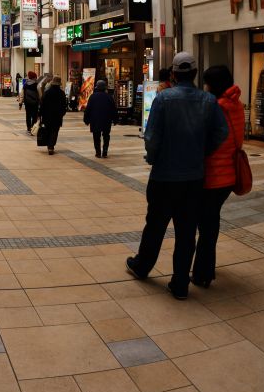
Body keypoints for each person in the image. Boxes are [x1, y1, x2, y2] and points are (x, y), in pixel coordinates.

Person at [125, 52, 228, 300]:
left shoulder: (163, 99)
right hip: (193, 178)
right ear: (194, 73)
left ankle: (142, 266)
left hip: (164, 176)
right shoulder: (209, 101)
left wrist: (153, 157)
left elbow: (151, 137)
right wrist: (202, 151)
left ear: (173, 73)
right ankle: (180, 282)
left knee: (155, 225)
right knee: (186, 231)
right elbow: (221, 133)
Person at [191, 65, 244, 288]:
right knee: (211, 221)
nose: (204, 86)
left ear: (213, 85)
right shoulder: (237, 104)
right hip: (229, 174)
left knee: (206, 225)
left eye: (207, 82)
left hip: (213, 174)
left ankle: (203, 273)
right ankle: (207, 266)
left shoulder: (217, 106)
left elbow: (206, 138)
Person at [83, 80, 115, 158]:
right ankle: (105, 152)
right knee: (106, 136)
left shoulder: (93, 96)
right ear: (105, 88)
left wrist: (86, 119)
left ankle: (98, 152)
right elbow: (113, 109)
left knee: (96, 136)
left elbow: (88, 109)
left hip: (95, 120)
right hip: (106, 120)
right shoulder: (109, 97)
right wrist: (115, 119)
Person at [39, 76, 67, 155]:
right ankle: (51, 146)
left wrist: (40, 114)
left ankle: (49, 145)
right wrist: (62, 113)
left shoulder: (47, 92)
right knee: (55, 131)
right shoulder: (62, 93)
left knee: (48, 130)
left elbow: (42, 104)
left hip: (47, 116)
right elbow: (64, 105)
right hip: (57, 116)